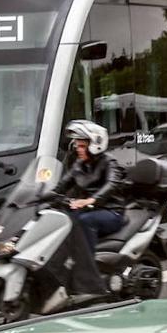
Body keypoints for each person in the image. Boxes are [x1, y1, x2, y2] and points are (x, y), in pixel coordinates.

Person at [47, 120, 126, 295]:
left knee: (84, 221)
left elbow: (112, 184)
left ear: (96, 145)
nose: (78, 149)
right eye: (77, 145)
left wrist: (90, 200)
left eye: (82, 146)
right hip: (88, 208)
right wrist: (43, 196)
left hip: (111, 211)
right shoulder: (79, 165)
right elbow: (62, 185)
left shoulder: (109, 162)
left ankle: (88, 276)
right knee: (60, 219)